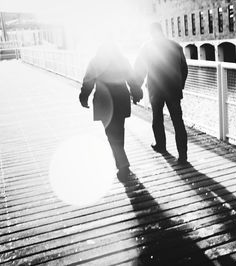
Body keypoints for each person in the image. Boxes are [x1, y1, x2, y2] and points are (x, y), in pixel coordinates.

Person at [79, 42, 142, 179]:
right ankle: (122, 162)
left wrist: (84, 97)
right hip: (121, 99)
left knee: (111, 134)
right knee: (119, 131)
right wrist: (137, 93)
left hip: (104, 101)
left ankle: (122, 164)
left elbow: (88, 81)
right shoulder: (122, 60)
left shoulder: (95, 62)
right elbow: (132, 79)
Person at [134, 22, 189, 164]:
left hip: (156, 90)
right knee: (178, 122)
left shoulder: (147, 47)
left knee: (157, 118)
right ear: (162, 31)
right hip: (173, 90)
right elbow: (184, 69)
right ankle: (183, 155)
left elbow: (139, 70)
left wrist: (135, 90)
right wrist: (180, 85)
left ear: (151, 33)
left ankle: (161, 146)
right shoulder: (176, 46)